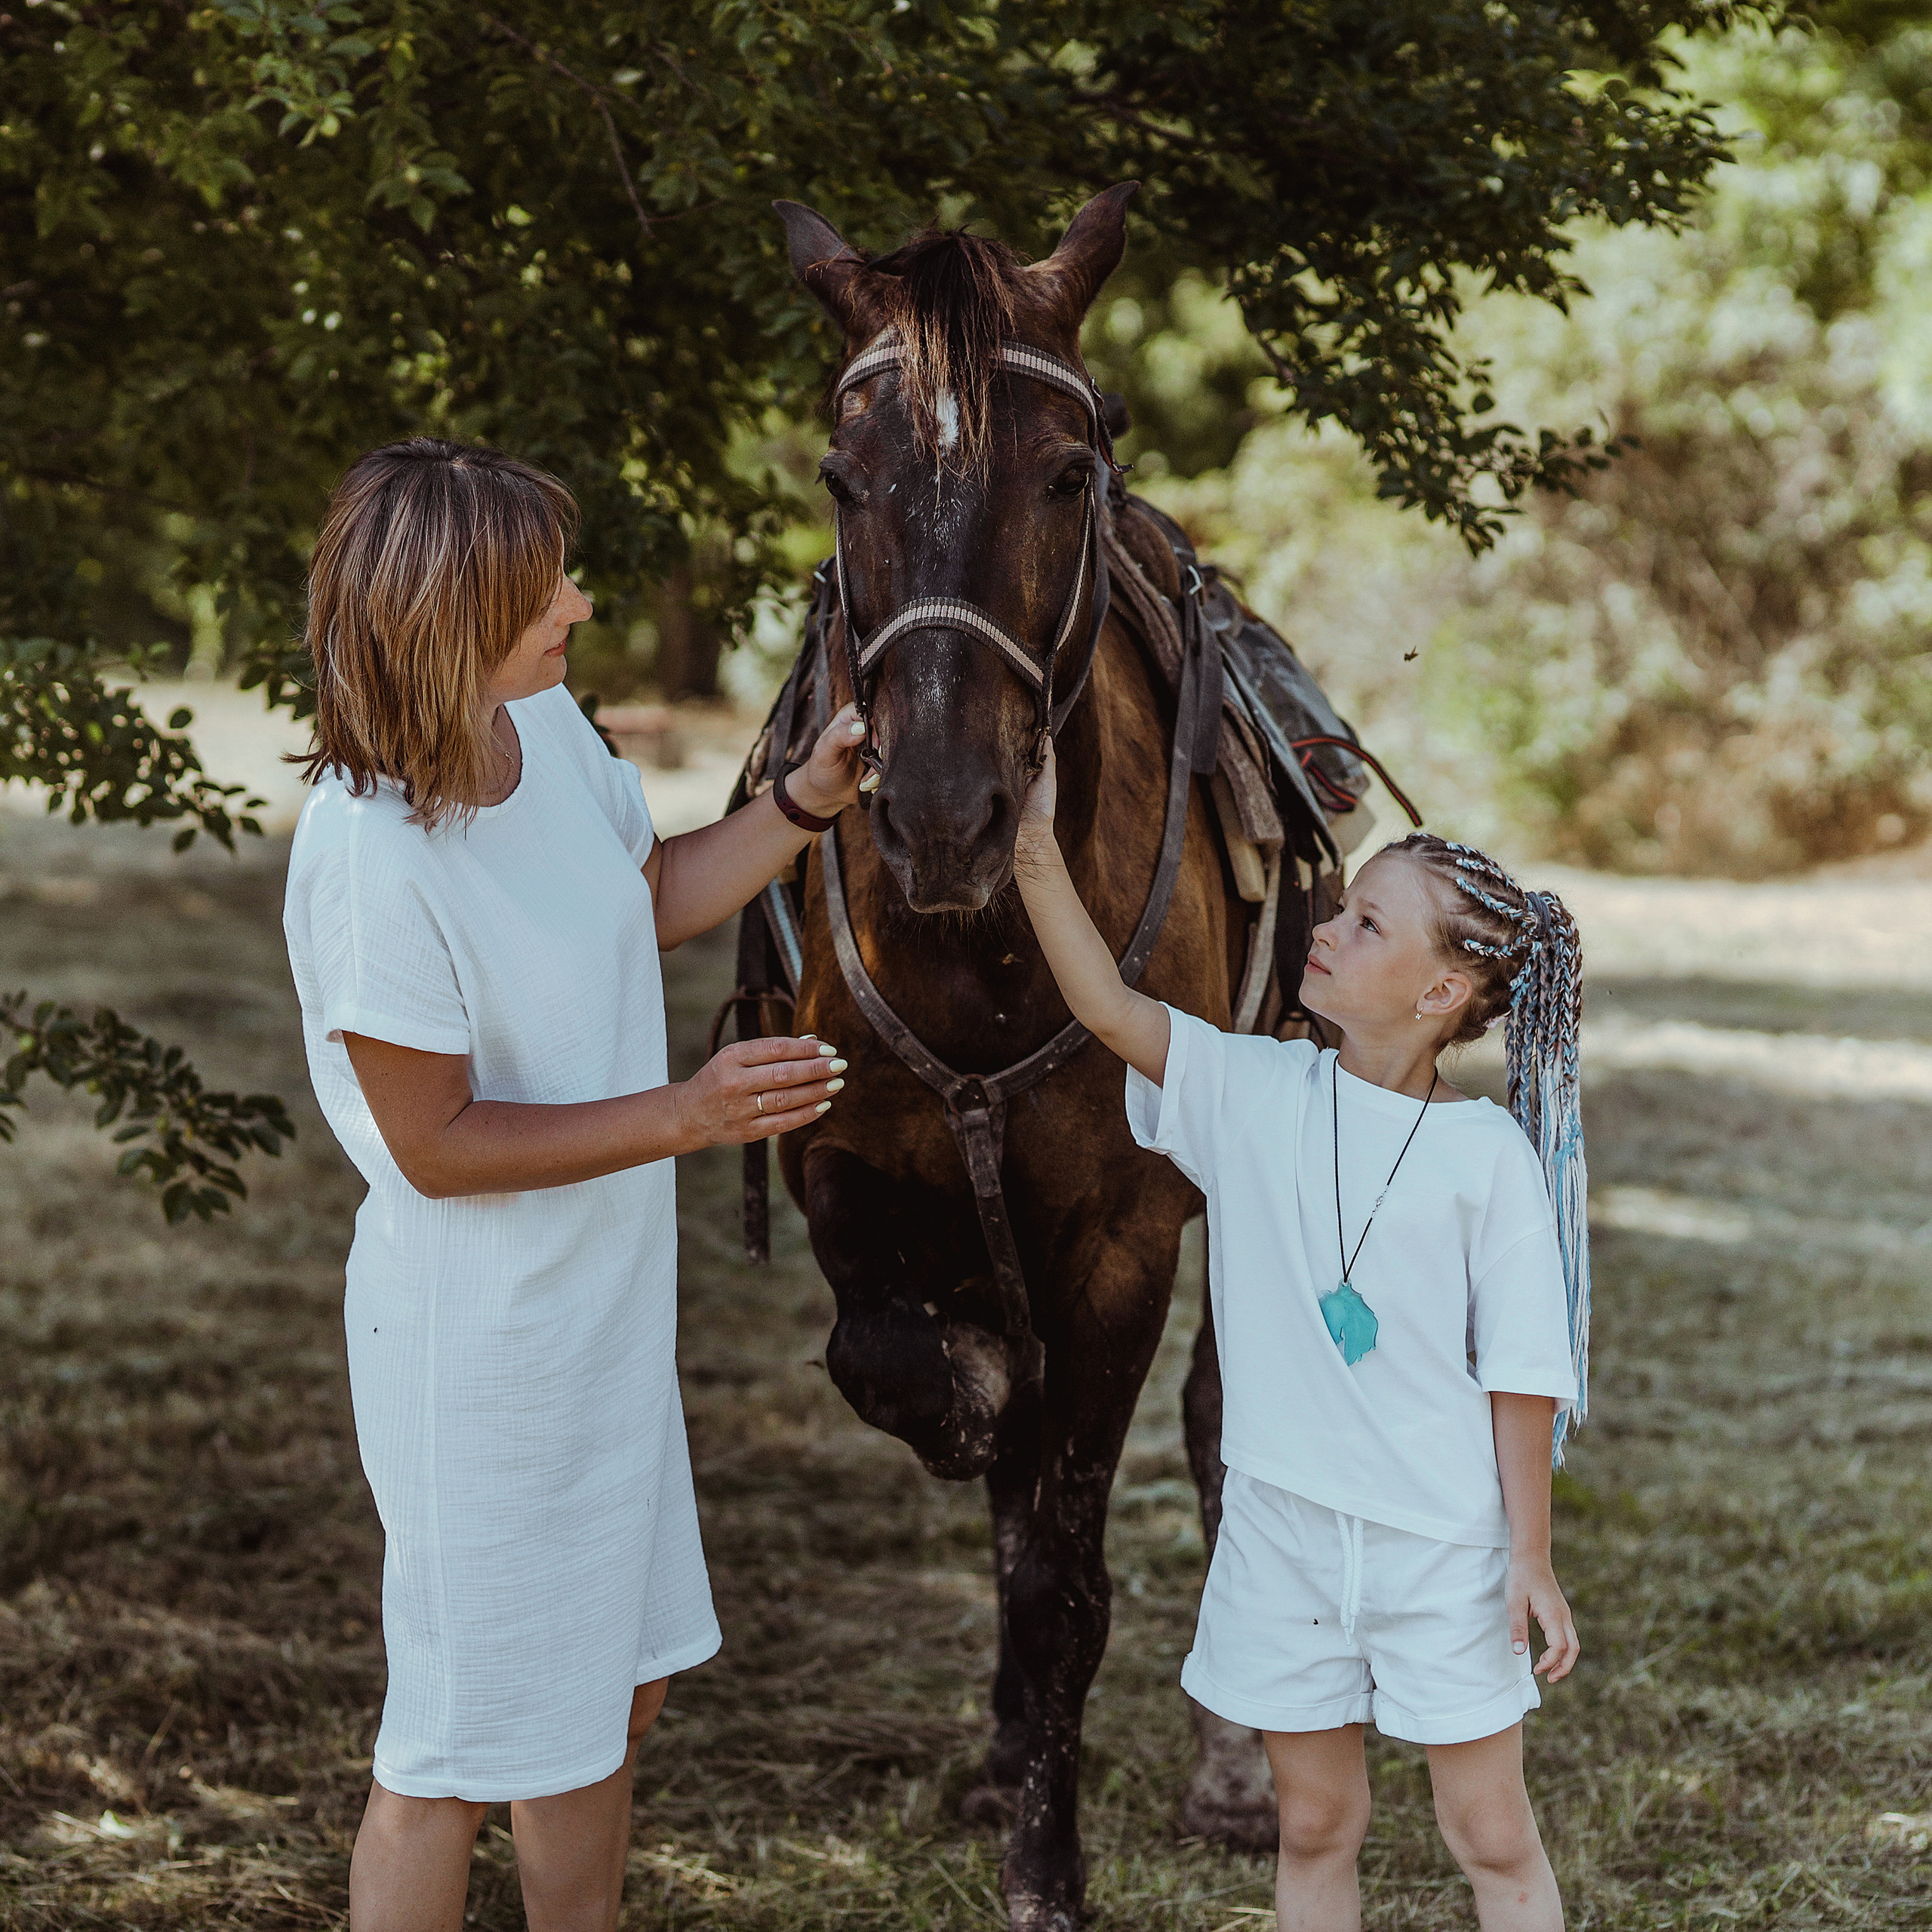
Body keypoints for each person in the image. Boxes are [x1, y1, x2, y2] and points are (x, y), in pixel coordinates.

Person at [282, 438, 870, 1932]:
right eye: (547, 588)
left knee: (616, 1688)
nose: (581, 605)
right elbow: (436, 1143)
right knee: (453, 1748)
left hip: (601, 1313)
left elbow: (642, 896)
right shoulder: (369, 853)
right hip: (478, 1350)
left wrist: (801, 801)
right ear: (452, 615)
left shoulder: (538, 726)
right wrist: (686, 1114)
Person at [1013, 746, 1589, 1932]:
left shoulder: (1488, 1159)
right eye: (1342, 907)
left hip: (1444, 1550)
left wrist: (1528, 1557)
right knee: (1315, 1823)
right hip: (1280, 1535)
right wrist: (1030, 852)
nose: (1326, 928)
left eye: (1368, 924)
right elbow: (1108, 1006)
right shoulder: (1250, 1091)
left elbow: (1525, 1375)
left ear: (1440, 993)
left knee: (1490, 1834)